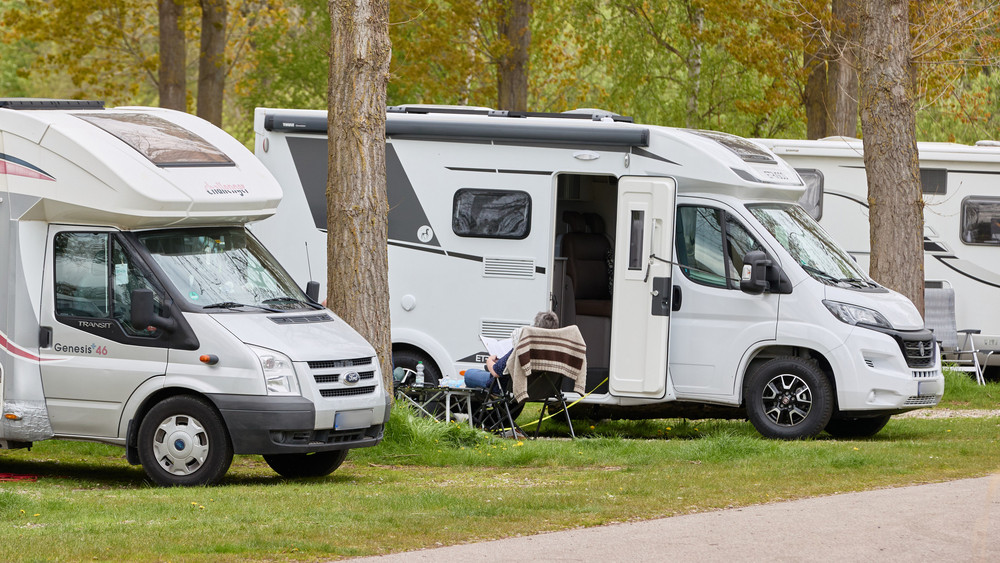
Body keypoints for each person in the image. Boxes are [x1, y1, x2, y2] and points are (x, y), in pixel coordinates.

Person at [464, 311, 559, 391]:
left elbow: (496, 372)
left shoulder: (524, 347)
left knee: (469, 374)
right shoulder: (558, 352)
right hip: (539, 390)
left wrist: (489, 361)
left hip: (508, 388)